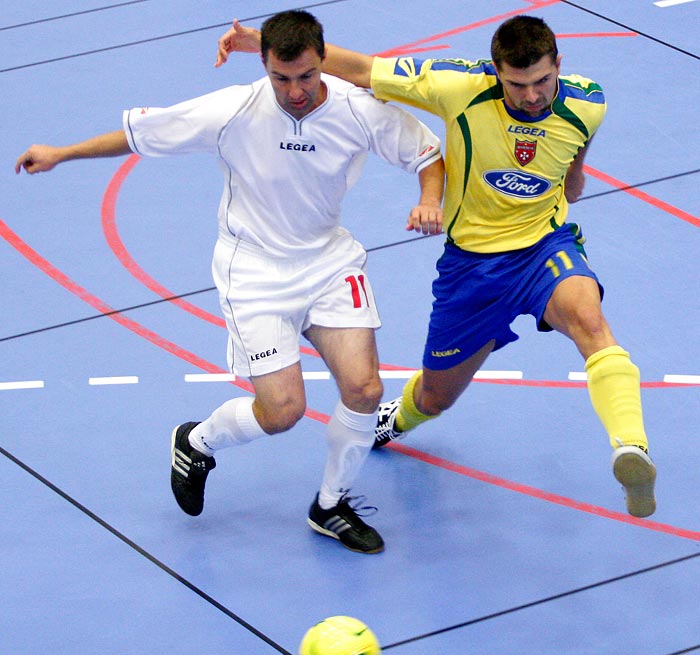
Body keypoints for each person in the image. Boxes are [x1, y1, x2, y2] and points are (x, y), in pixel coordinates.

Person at [16, 9, 445, 552]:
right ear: (264, 65)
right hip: (254, 272)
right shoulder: (235, 109)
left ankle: (330, 505)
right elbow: (140, 134)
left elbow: (427, 153)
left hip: (329, 262)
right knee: (282, 411)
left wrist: (429, 199)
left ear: (323, 60)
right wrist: (62, 153)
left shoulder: (359, 108)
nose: (294, 90)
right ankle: (196, 442)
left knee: (364, 390)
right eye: (281, 77)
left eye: (306, 76)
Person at [216, 14, 657, 518]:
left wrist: (572, 177)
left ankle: (631, 449)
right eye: (518, 85)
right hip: (471, 269)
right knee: (435, 394)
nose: (533, 96)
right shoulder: (457, 86)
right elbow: (364, 70)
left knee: (591, 324)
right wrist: (265, 45)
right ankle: (397, 421)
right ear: (496, 72)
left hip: (543, 246)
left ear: (559, 64)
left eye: (542, 81)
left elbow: (577, 145)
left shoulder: (588, 100)